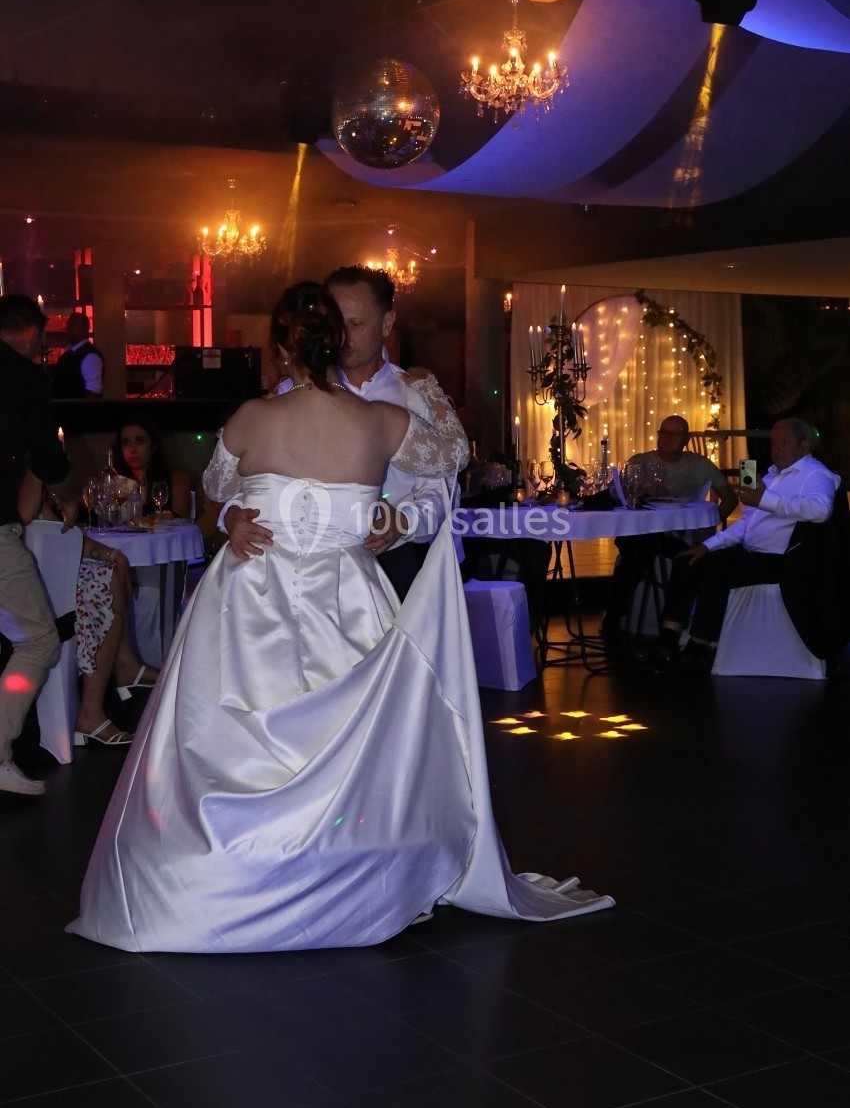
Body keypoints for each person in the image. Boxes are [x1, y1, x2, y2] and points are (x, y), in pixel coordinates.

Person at [67, 281, 612, 952]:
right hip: (346, 591)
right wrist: (393, 477)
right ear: (338, 339)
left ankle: (227, 874)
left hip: (251, 596)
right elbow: (454, 455)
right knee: (359, 739)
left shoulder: (250, 418)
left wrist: (242, 513)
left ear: (279, 350)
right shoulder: (381, 423)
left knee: (231, 740)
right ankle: (358, 868)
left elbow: (216, 488)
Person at [224, 265, 465, 599]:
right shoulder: (286, 396)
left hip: (390, 560)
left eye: (356, 324)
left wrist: (403, 522)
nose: (344, 336)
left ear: (387, 323)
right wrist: (234, 518)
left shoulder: (413, 393)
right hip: (293, 574)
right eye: (336, 323)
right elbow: (243, 488)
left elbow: (442, 489)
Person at [657, 417, 843, 672]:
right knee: (691, 558)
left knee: (716, 570)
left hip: (782, 561)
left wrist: (766, 499)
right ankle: (667, 640)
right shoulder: (772, 475)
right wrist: (708, 545)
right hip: (752, 552)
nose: (776, 449)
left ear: (804, 444)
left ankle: (698, 648)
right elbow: (746, 525)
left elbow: (821, 510)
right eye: (773, 442)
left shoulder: (815, 474)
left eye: (784, 442)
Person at [0, 294, 78, 796]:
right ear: (31, 333)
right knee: (39, 639)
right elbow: (47, 454)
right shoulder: (24, 378)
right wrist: (69, 496)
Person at [19, 473, 158, 747]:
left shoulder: (29, 482)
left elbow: (59, 530)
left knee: (109, 575)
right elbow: (36, 522)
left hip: (45, 570)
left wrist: (114, 555)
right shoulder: (21, 481)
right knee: (101, 587)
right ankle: (91, 712)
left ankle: (125, 669)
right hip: (24, 583)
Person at [600, 414, 736, 643]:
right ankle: (627, 621)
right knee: (638, 548)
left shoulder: (699, 465)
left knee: (649, 554)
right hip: (639, 531)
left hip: (675, 535)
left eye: (674, 434)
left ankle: (641, 623)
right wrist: (640, 493)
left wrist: (711, 522)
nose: (666, 438)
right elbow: (618, 496)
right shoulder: (639, 463)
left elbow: (730, 498)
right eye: (663, 432)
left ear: (686, 439)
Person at [110, 414, 192, 520]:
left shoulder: (176, 479)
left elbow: (181, 525)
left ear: (153, 446)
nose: (132, 449)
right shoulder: (114, 481)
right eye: (126, 443)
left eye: (139, 441)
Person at [52, 310, 104, 399]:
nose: (69, 328)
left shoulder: (90, 356)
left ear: (85, 329)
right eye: (68, 325)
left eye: (75, 325)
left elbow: (93, 393)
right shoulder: (67, 355)